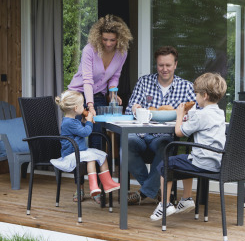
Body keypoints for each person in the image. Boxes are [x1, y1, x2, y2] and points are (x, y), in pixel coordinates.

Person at [67, 14, 132, 200]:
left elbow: (114, 77)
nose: (109, 43)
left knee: (97, 139)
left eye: (112, 40)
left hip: (98, 95)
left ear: (119, 38)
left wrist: (113, 93)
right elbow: (87, 80)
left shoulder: (122, 53)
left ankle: (98, 188)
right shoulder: (90, 50)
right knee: (79, 141)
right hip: (78, 95)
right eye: (105, 39)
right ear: (99, 36)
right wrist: (89, 106)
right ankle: (79, 187)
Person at [150, 72, 227, 220]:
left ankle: (164, 204)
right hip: (216, 161)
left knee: (165, 164)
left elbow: (179, 132)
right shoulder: (219, 113)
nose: (195, 97)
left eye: (196, 94)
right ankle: (185, 199)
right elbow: (199, 122)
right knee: (186, 157)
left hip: (202, 162)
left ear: (204, 95)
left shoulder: (200, 115)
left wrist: (179, 115)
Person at [125, 46, 196, 205]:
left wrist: (185, 115)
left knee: (166, 146)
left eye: (168, 65)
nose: (164, 69)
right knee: (126, 144)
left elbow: (196, 112)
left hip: (164, 137)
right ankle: (154, 190)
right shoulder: (144, 82)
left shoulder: (186, 86)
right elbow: (130, 109)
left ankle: (143, 193)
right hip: (141, 135)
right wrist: (135, 108)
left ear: (175, 65)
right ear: (156, 65)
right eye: (160, 65)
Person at [51, 90, 120, 203]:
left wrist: (83, 122)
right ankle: (93, 186)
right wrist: (88, 122)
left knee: (102, 155)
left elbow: (78, 131)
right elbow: (85, 133)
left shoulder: (71, 121)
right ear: (75, 108)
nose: (84, 107)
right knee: (91, 158)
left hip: (79, 151)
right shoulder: (69, 122)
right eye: (82, 104)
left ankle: (107, 182)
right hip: (71, 154)